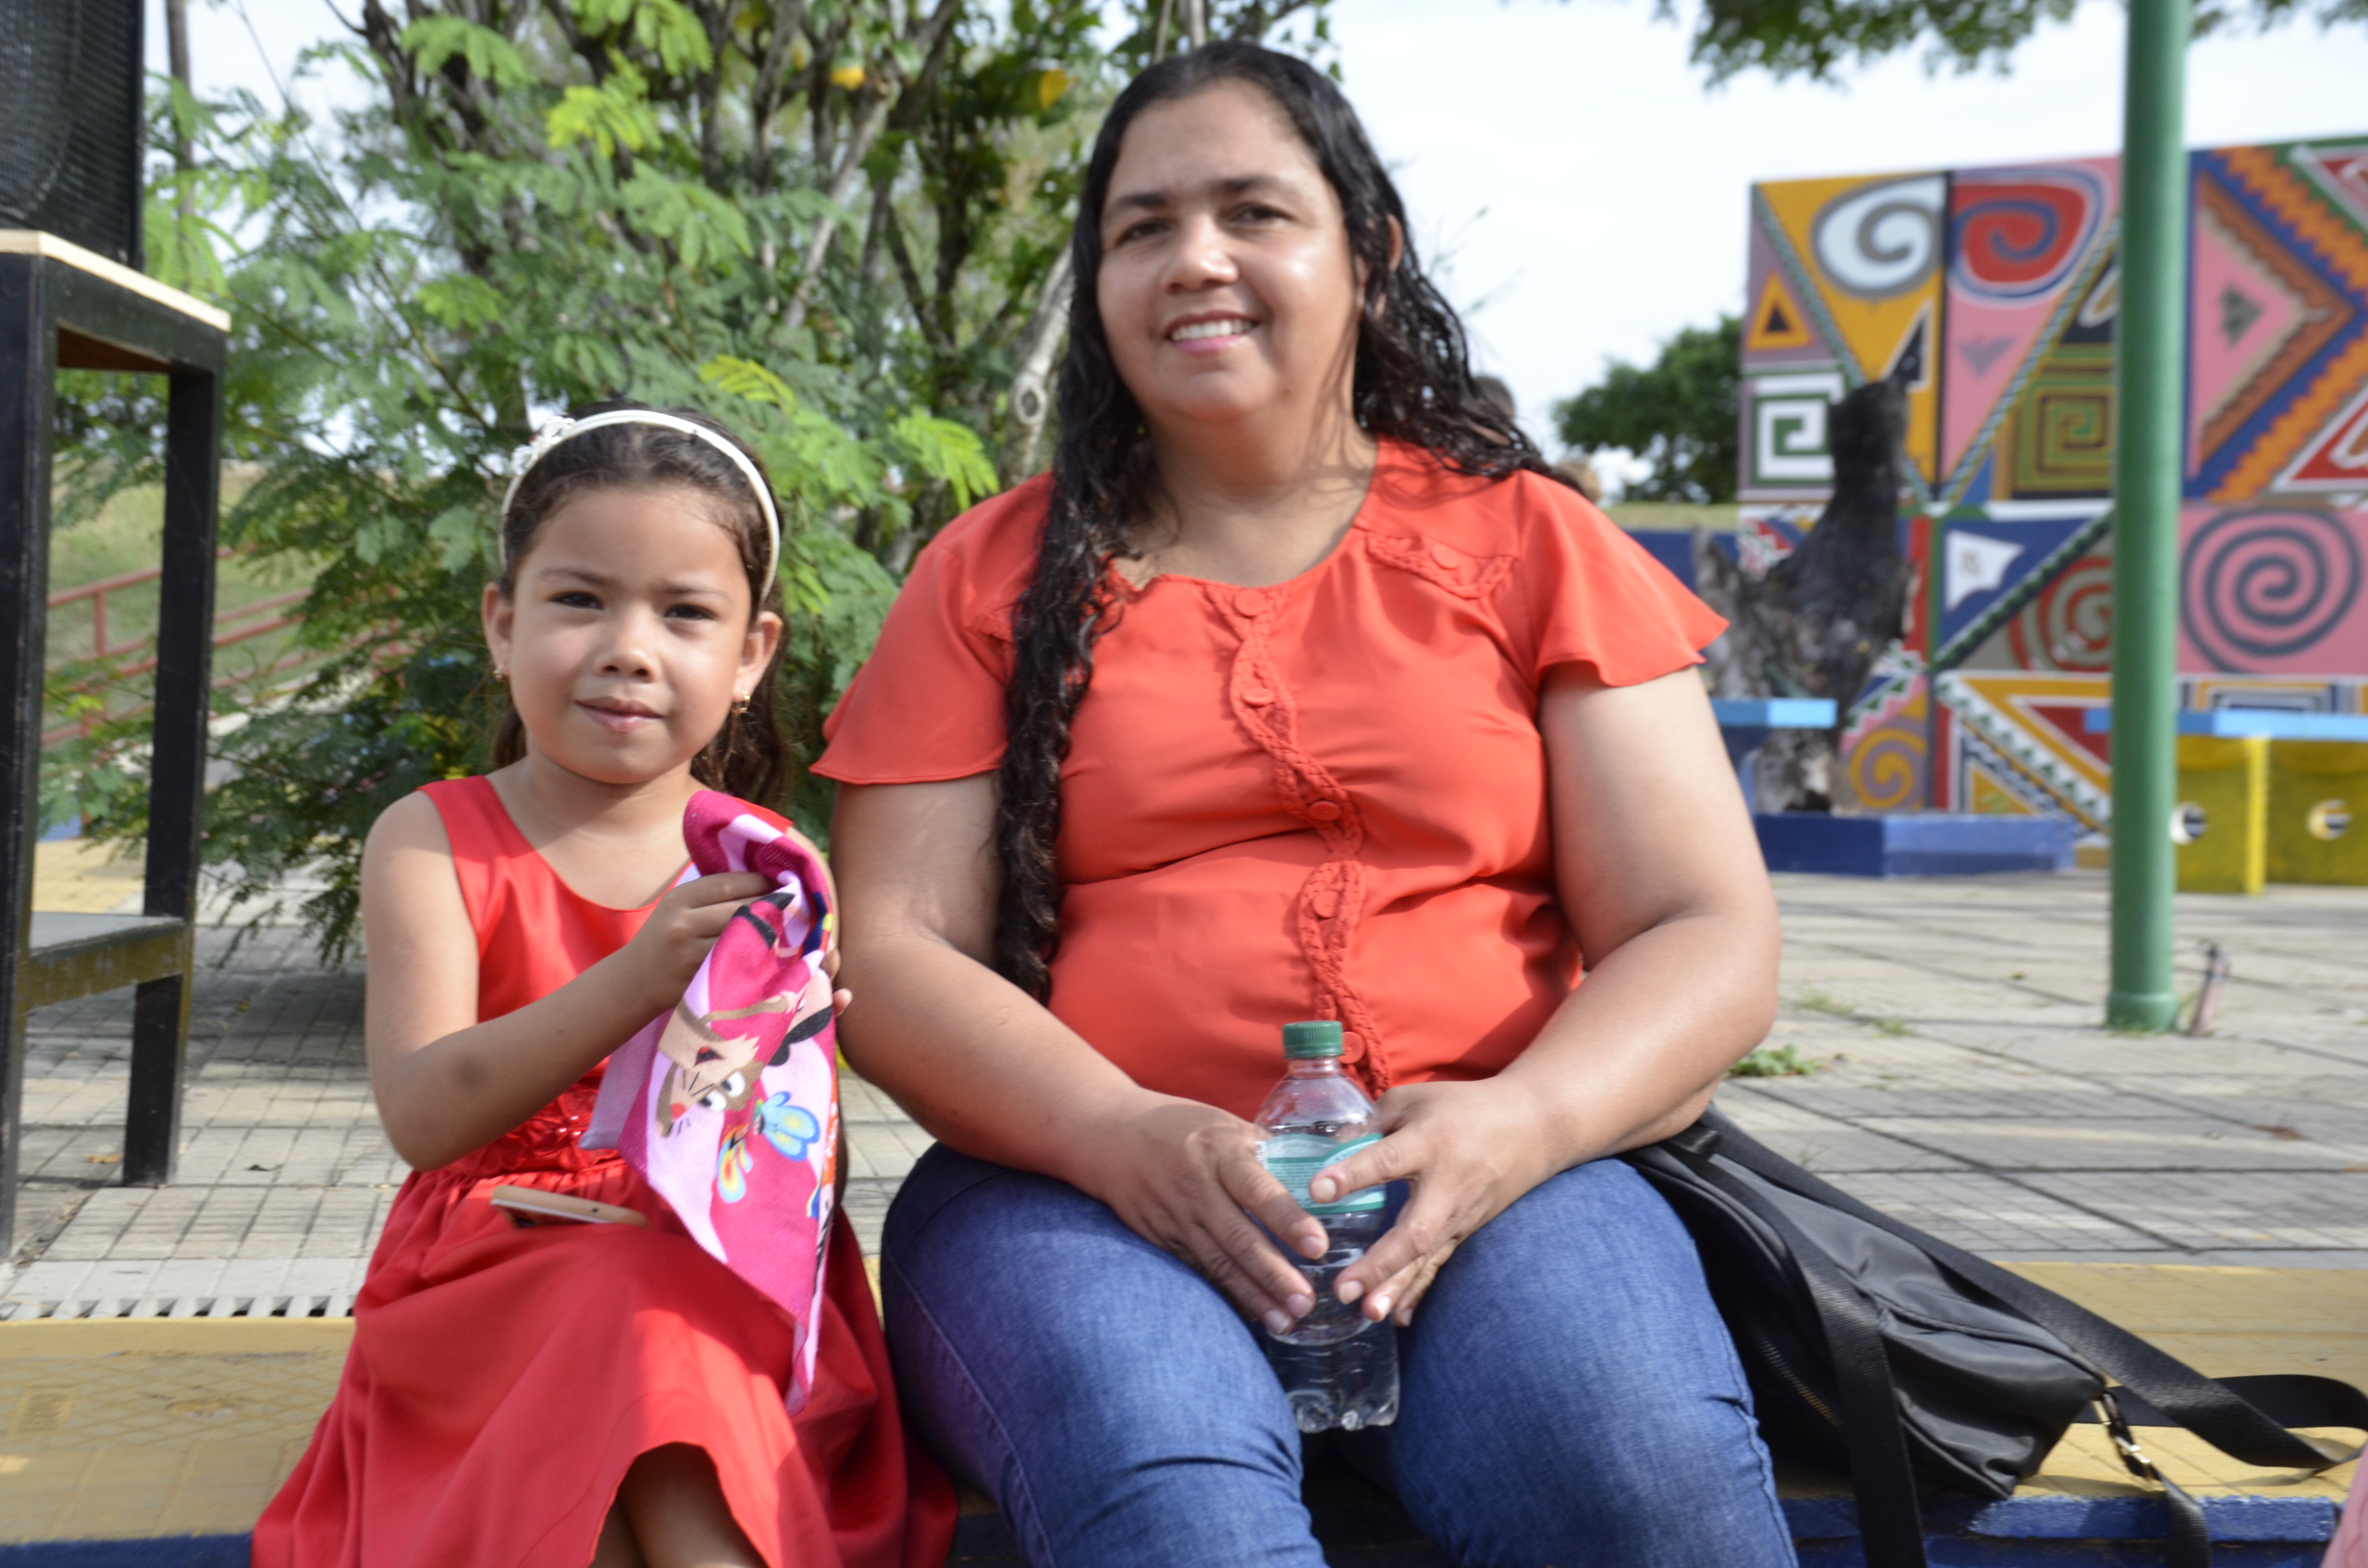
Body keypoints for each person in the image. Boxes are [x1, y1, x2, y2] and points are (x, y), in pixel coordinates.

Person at [819, 40, 1794, 1568]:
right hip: (1075, 1195)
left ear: (1367, 251)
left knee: (1641, 1478)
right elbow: (888, 952)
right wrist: (1125, 1133)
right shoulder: (989, 576)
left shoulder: (1529, 540)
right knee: (1176, 1508)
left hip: (1498, 1189)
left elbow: (1706, 928)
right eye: (1141, 227)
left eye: (1251, 212)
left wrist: (1519, 1125)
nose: (1194, 258)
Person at [253, 404, 955, 1568]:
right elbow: (426, 1116)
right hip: (497, 1256)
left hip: (712, 1260)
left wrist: (810, 1025)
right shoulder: (430, 841)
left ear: (750, 659)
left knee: (654, 1337)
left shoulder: (768, 860)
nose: (629, 647)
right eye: (580, 600)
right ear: (500, 623)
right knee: (621, 1331)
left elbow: (781, 1149)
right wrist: (642, 975)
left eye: (685, 614)